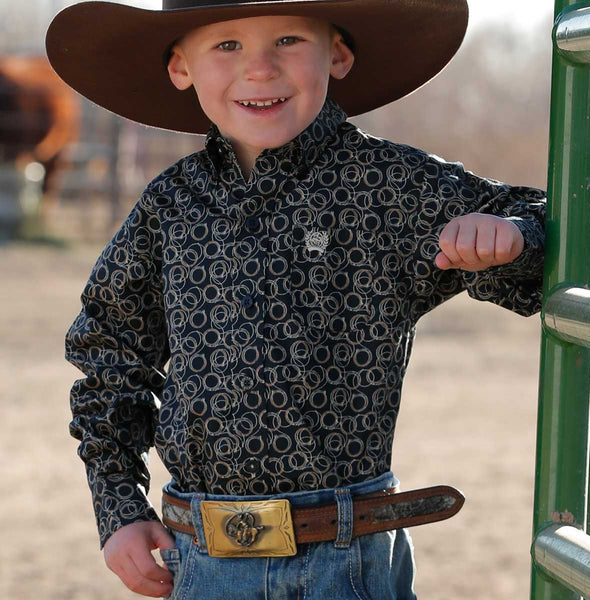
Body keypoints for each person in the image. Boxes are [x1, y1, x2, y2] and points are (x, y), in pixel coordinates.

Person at [46, 0, 546, 598]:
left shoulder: (384, 185)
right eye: (227, 46)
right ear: (181, 66)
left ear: (336, 53)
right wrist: (118, 506)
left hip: (348, 560)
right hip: (204, 560)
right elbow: (109, 351)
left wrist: (513, 236)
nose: (259, 69)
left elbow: (535, 215)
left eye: (287, 40)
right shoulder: (171, 207)